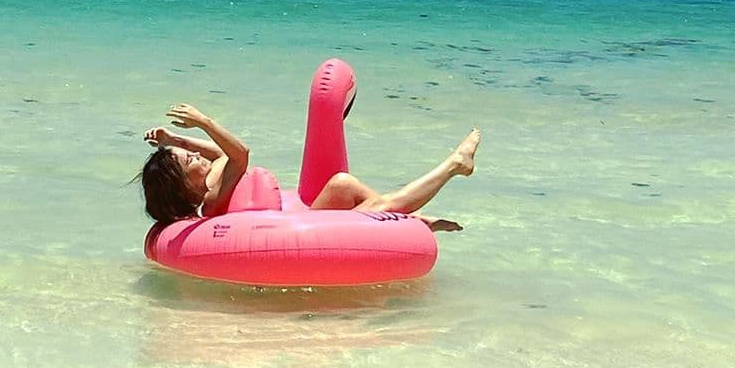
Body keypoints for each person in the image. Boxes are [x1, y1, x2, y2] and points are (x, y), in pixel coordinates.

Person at [140, 103, 481, 233]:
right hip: (300, 236)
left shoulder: (212, 182)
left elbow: (220, 155)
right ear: (185, 187)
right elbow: (239, 154)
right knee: (378, 204)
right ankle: (453, 166)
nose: (197, 157)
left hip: (302, 223)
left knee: (342, 184)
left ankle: (406, 219)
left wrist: (176, 141)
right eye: (189, 161)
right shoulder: (212, 201)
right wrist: (204, 122)